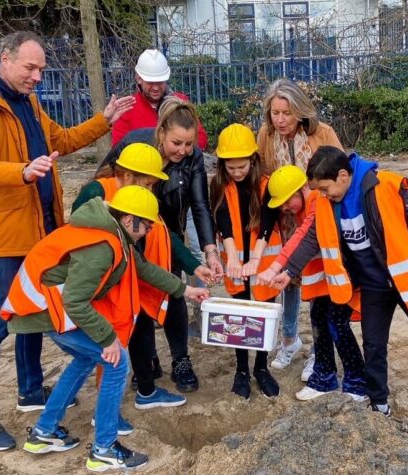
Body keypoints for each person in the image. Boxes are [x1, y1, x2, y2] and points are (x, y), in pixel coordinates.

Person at [0, 31, 134, 451]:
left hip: (41, 231)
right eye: (30, 68)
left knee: (36, 312)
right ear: (5, 58)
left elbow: (61, 140)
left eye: (41, 69)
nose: (38, 76)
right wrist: (21, 171)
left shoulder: (29, 102)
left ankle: (30, 390)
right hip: (5, 236)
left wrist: (103, 121)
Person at [268, 146, 408, 432]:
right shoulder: (325, 203)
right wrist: (290, 271)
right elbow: (312, 237)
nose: (322, 195)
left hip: (407, 282)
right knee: (373, 346)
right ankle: (379, 403)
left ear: (343, 176)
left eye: (325, 188)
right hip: (373, 286)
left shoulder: (386, 185)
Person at [0, 186, 209, 471]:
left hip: (47, 308)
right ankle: (104, 448)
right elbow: (75, 301)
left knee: (87, 358)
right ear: (128, 220)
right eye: (146, 225)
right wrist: (108, 339)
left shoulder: (115, 236)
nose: (147, 231)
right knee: (116, 361)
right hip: (43, 309)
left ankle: (44, 431)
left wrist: (185, 290)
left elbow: (143, 269)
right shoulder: (102, 246)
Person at [73, 142, 214, 416]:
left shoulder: (137, 198)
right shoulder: (98, 193)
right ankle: (105, 414)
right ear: (128, 177)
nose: (151, 191)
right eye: (148, 184)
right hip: (104, 284)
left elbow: (162, 233)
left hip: (133, 276)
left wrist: (194, 267)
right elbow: (79, 229)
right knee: (109, 346)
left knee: (140, 329)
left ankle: (146, 389)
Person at [101, 97, 224, 393]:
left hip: (168, 231)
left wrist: (209, 252)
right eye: (176, 143)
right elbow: (105, 181)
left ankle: (181, 359)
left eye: (188, 144)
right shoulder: (136, 146)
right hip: (129, 231)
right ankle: (147, 360)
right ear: (161, 133)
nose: (182, 150)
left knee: (173, 291)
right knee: (137, 296)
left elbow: (199, 204)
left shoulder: (191, 158)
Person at [256, 78, 344, 379]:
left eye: (286, 113)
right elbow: (262, 174)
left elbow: (340, 173)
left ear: (300, 112)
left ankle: (320, 350)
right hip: (286, 218)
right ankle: (290, 340)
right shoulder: (266, 136)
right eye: (275, 113)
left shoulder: (322, 133)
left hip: (320, 218)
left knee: (319, 283)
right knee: (288, 280)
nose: (280, 119)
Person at [258, 165, 367, 402]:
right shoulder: (302, 210)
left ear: (302, 189)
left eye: (287, 202)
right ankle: (324, 378)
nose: (285, 208)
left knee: (337, 324)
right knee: (319, 321)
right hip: (323, 283)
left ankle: (357, 382)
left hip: (341, 279)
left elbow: (304, 237)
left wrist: (277, 268)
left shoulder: (318, 202)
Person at [209, 124, 282, 399]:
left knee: (263, 313)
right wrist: (233, 260)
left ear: (253, 160)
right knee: (238, 315)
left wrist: (256, 259)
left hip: (264, 258)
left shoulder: (265, 183)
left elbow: (268, 219)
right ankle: (241, 369)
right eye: (231, 167)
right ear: (222, 164)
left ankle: (261, 368)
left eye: (242, 167)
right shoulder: (219, 183)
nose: (237, 173)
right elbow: (222, 219)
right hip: (235, 260)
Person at [110, 48, 208, 150]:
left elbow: (200, 137)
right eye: (150, 82)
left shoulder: (180, 102)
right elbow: (118, 148)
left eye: (160, 82)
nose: (156, 88)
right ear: (139, 79)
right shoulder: (127, 108)